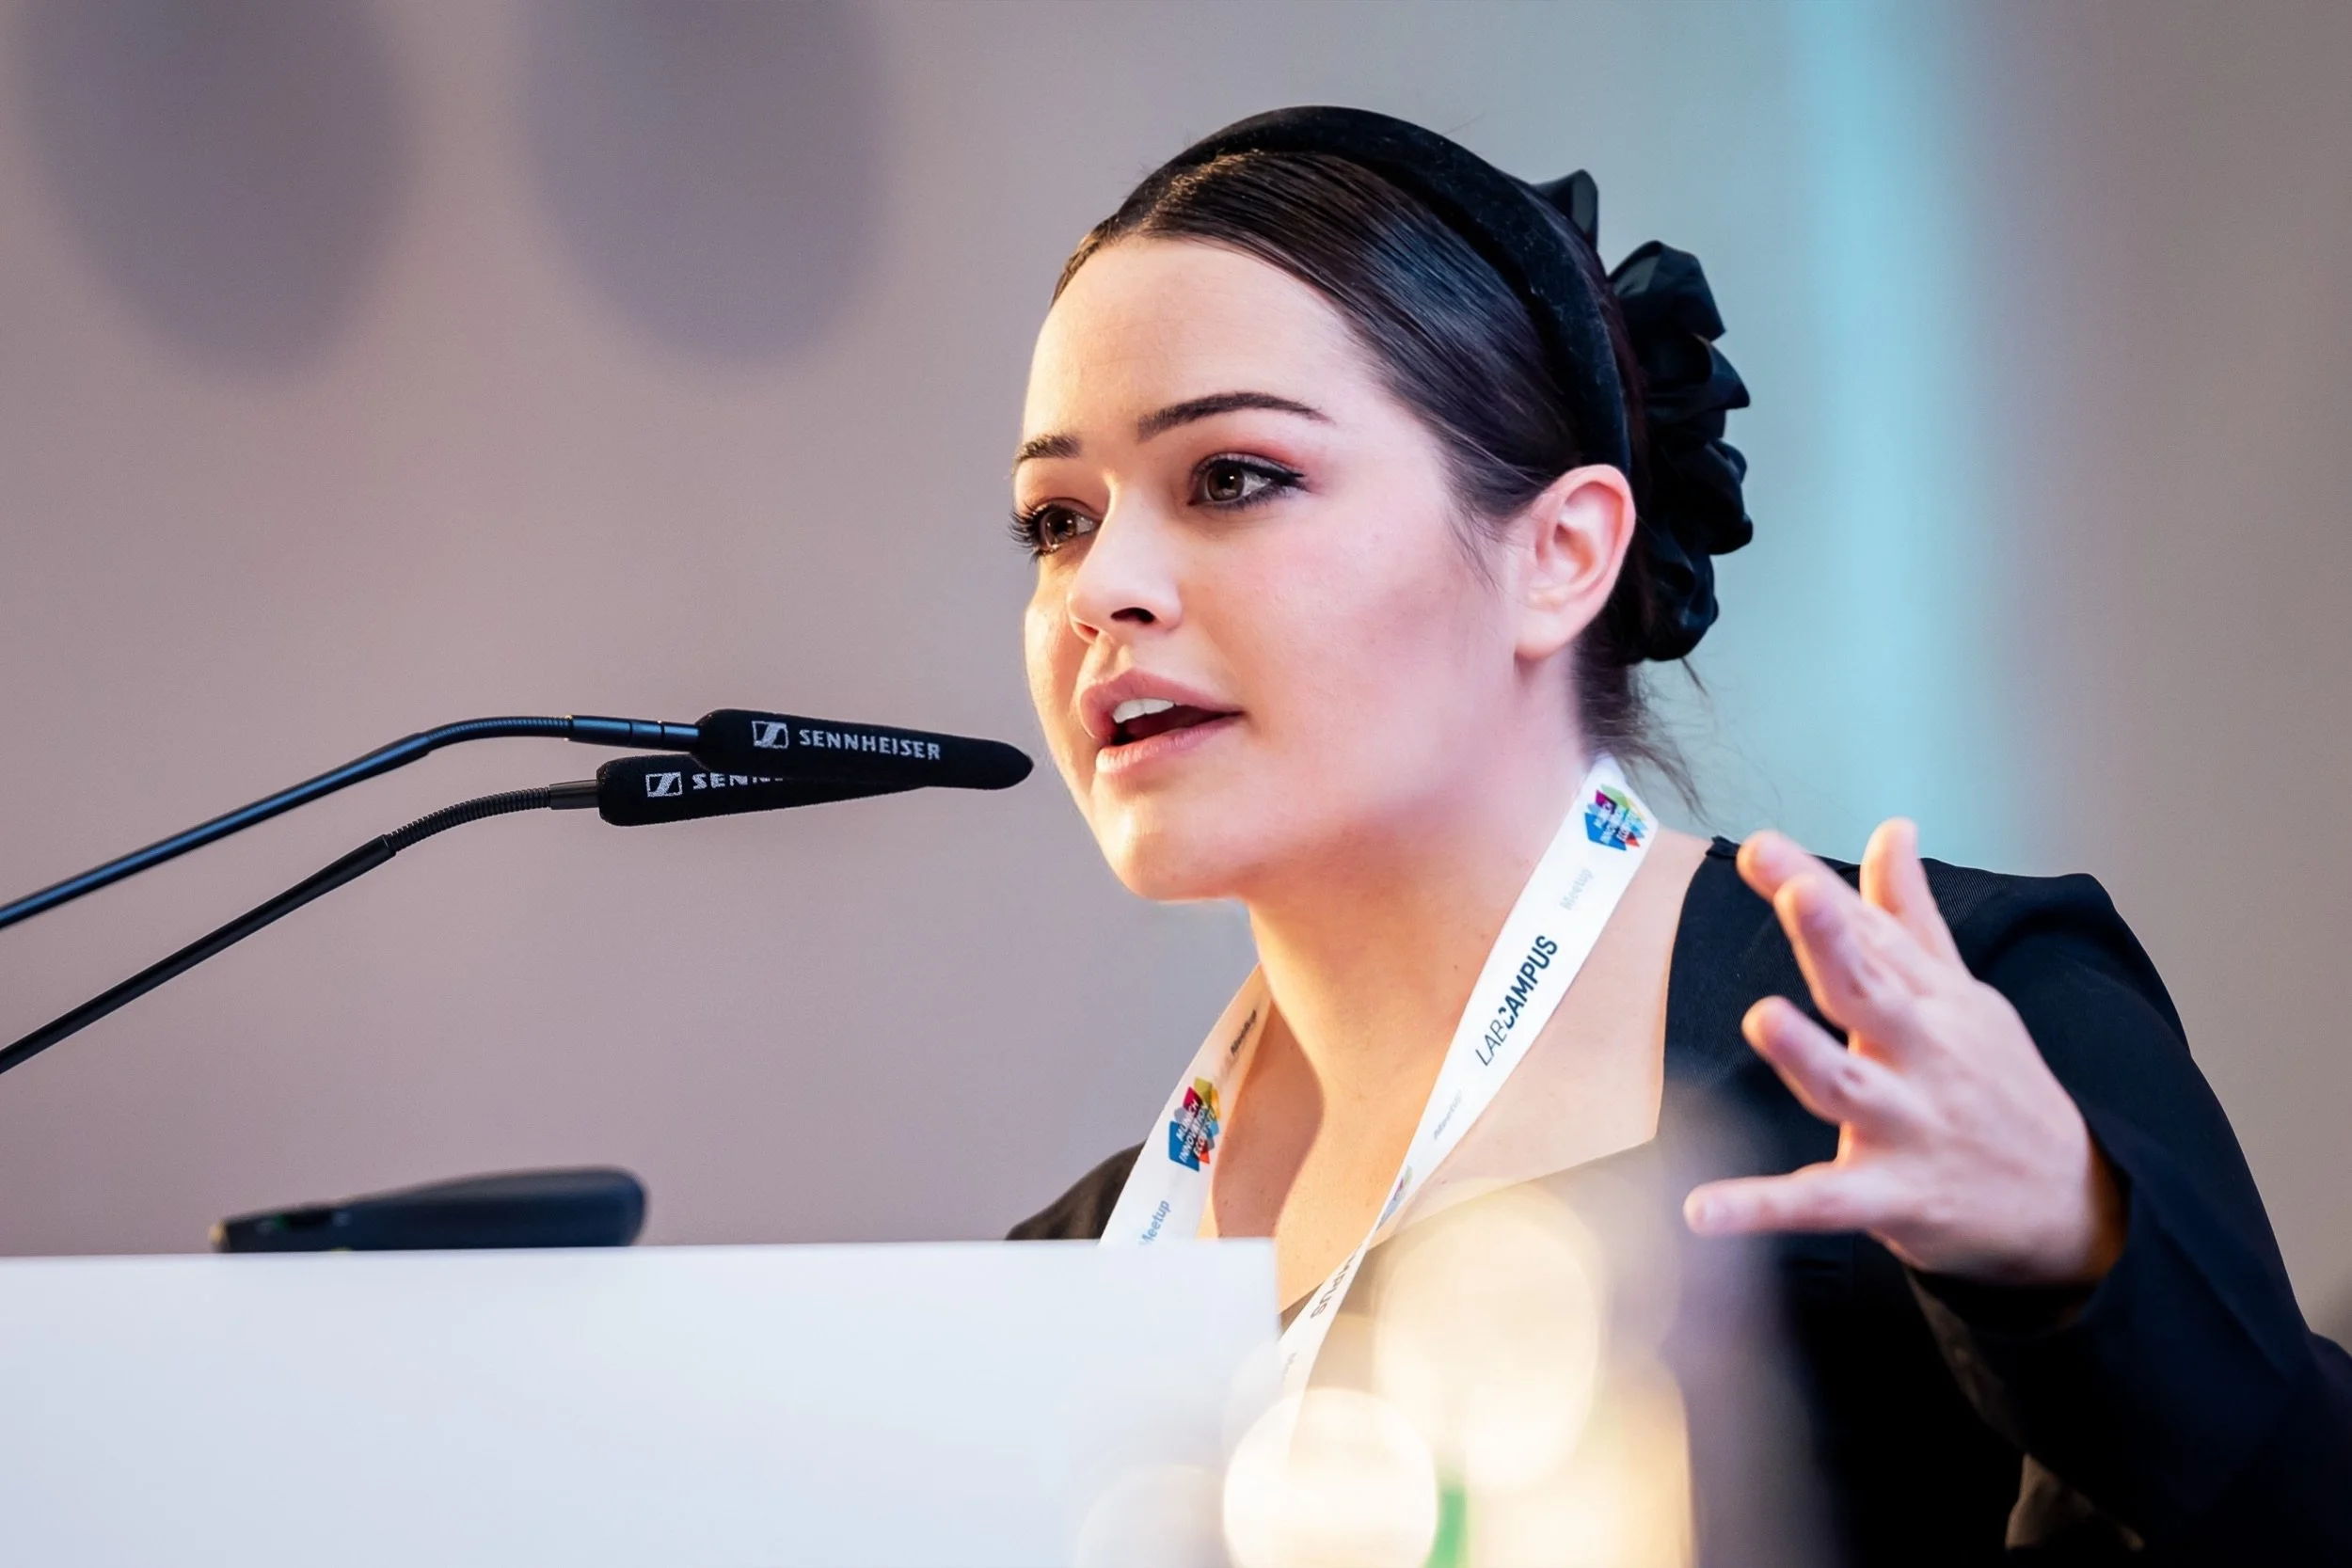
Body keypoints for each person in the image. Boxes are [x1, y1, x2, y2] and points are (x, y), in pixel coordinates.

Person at [1002, 106, 2350, 1563]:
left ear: (1561, 552)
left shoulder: (1925, 1035)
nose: (1102, 588)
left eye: (1231, 477)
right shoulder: (1069, 1274)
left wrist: (2078, 1264)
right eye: (1055, 521)